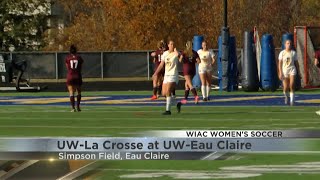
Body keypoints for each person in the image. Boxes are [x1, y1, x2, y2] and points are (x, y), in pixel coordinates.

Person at [153, 40, 182, 115]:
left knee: (169, 91)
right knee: (164, 93)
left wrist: (176, 51)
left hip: (173, 75)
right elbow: (161, 65)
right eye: (171, 44)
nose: (172, 45)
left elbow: (180, 59)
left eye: (173, 44)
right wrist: (155, 73)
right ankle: (177, 103)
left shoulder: (176, 53)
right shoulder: (165, 53)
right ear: (168, 45)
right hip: (166, 76)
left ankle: (168, 110)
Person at [278, 40, 301, 106]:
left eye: (290, 43)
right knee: (285, 87)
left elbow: (296, 63)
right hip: (285, 71)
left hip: (292, 70)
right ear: (285, 44)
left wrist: (299, 72)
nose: (289, 44)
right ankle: (286, 97)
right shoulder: (282, 53)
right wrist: (280, 72)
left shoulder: (293, 53)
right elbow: (279, 64)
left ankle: (292, 101)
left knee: (292, 85)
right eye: (288, 43)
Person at [65, 45, 84, 112]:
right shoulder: (79, 58)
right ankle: (78, 107)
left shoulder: (67, 58)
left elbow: (67, 67)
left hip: (70, 76)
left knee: (71, 92)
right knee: (78, 92)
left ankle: (73, 108)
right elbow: (81, 67)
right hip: (77, 75)